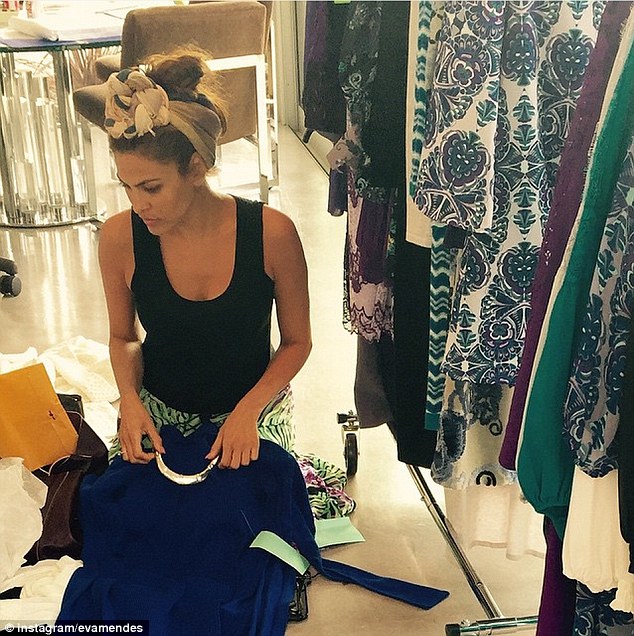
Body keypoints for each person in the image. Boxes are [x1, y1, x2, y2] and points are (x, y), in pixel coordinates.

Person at [98, 49, 312, 469]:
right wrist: (128, 399)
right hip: (159, 409)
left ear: (195, 168)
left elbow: (296, 342)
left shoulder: (272, 233)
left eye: (151, 187)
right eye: (127, 187)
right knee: (129, 513)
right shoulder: (119, 237)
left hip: (252, 406)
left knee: (246, 504)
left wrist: (249, 411)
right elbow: (123, 337)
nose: (138, 204)